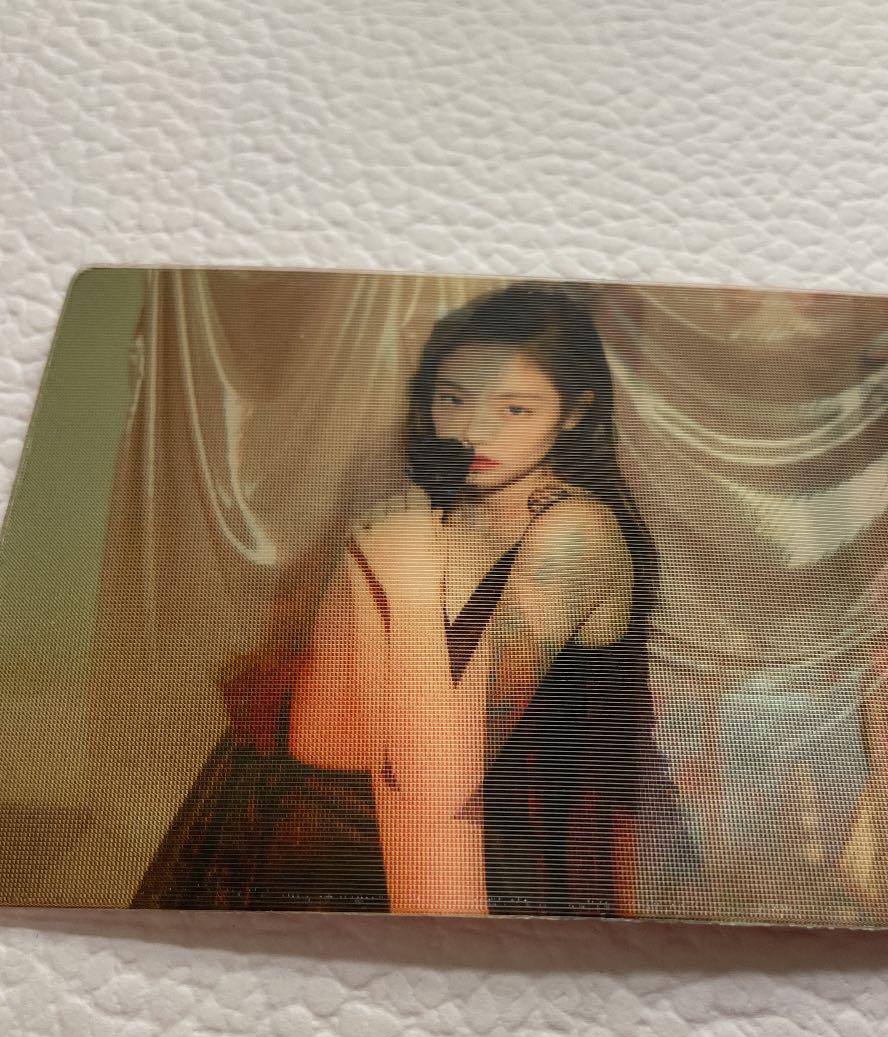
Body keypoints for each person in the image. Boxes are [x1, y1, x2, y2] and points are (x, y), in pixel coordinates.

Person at [131, 283, 661, 919]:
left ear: (573, 413)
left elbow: (474, 735)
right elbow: (328, 716)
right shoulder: (432, 511)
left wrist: (396, 581)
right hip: (381, 792)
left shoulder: (572, 529)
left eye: (515, 409)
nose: (472, 430)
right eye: (452, 399)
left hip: (492, 823)